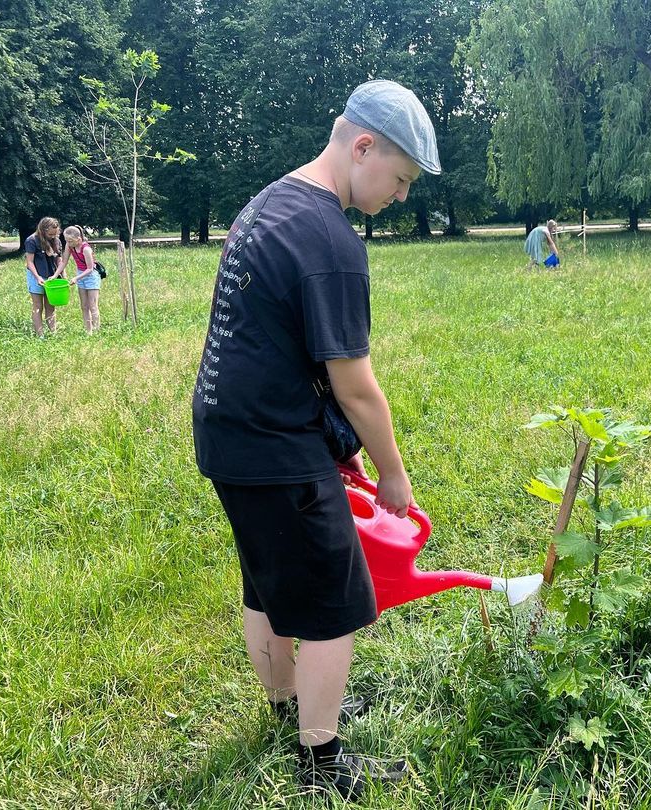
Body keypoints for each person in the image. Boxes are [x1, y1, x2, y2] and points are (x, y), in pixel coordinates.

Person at [191, 79, 440, 799]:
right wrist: (393, 474)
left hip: (228, 435)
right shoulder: (329, 238)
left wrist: (337, 441)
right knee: (337, 601)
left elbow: (280, 345)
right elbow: (357, 383)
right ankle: (320, 765)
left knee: (267, 584)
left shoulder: (269, 204)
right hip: (273, 446)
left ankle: (288, 711)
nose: (399, 197)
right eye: (399, 179)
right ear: (362, 146)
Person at [58, 225, 101, 334]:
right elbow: (64, 262)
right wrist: (55, 275)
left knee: (93, 305)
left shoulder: (86, 249)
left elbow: (90, 269)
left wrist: (76, 278)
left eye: (70, 241)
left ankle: (96, 330)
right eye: (66, 240)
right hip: (80, 275)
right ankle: (88, 331)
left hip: (91, 276)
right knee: (84, 305)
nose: (68, 243)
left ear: (79, 239)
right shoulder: (69, 245)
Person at [24, 217, 63, 336]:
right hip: (36, 276)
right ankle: (40, 335)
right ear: (43, 230)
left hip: (52, 278)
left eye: (55, 234)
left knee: (51, 306)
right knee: (37, 306)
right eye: (50, 234)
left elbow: (59, 260)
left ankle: (53, 333)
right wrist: (37, 277)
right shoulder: (31, 240)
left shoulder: (56, 240)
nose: (52, 236)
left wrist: (62, 276)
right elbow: (29, 262)